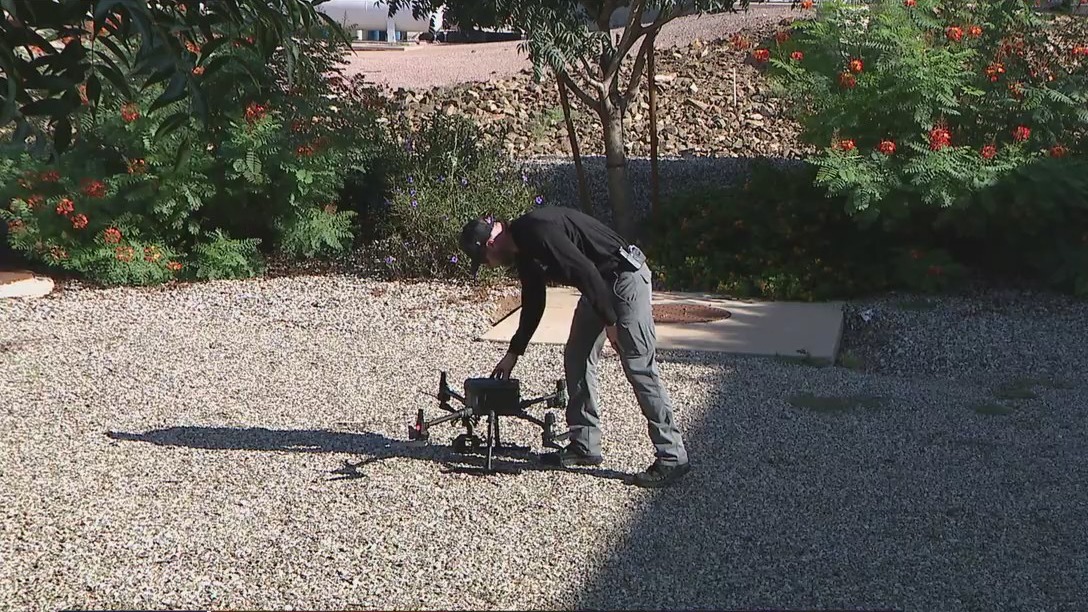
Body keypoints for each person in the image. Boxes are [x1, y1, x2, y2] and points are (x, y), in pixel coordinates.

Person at [458, 206, 690, 488]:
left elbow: (584, 269)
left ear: (490, 245)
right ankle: (585, 444)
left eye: (485, 262)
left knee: (639, 366)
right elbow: (534, 303)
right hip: (599, 285)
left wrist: (611, 321)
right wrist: (513, 354)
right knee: (576, 356)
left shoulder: (536, 230)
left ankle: (672, 455)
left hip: (624, 279)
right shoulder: (521, 247)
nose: (491, 267)